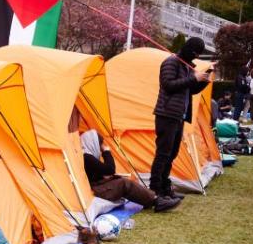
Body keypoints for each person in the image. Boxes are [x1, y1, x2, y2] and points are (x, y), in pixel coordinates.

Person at [151, 37, 211, 201]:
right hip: (166, 114)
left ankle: (165, 186)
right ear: (188, 49)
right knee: (163, 154)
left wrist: (204, 79)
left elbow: (190, 90)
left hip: (178, 116)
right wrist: (194, 78)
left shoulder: (186, 66)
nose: (195, 55)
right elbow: (168, 85)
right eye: (195, 52)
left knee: (172, 153)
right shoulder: (171, 63)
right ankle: (155, 190)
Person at [81, 129, 179, 213]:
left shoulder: (87, 155)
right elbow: (110, 169)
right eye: (100, 144)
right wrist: (106, 152)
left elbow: (101, 173)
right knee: (124, 183)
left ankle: (153, 198)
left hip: (96, 187)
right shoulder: (87, 157)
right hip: (95, 191)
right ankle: (157, 201)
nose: (101, 147)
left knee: (120, 179)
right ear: (92, 142)